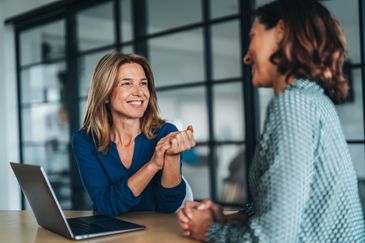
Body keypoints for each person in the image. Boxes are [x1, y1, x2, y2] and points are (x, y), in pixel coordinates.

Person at [177, 0, 365, 242]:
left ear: (281, 31)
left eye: (253, 36)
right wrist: (229, 219)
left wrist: (208, 230)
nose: (246, 57)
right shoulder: (311, 99)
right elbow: (286, 206)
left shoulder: (294, 105)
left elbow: (273, 238)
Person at [72, 52, 196, 217]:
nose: (139, 92)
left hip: (155, 234)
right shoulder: (85, 140)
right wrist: (152, 166)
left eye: (143, 83)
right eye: (127, 83)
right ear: (106, 94)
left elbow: (169, 206)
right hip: (107, 233)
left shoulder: (166, 133)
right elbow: (106, 205)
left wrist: (172, 156)